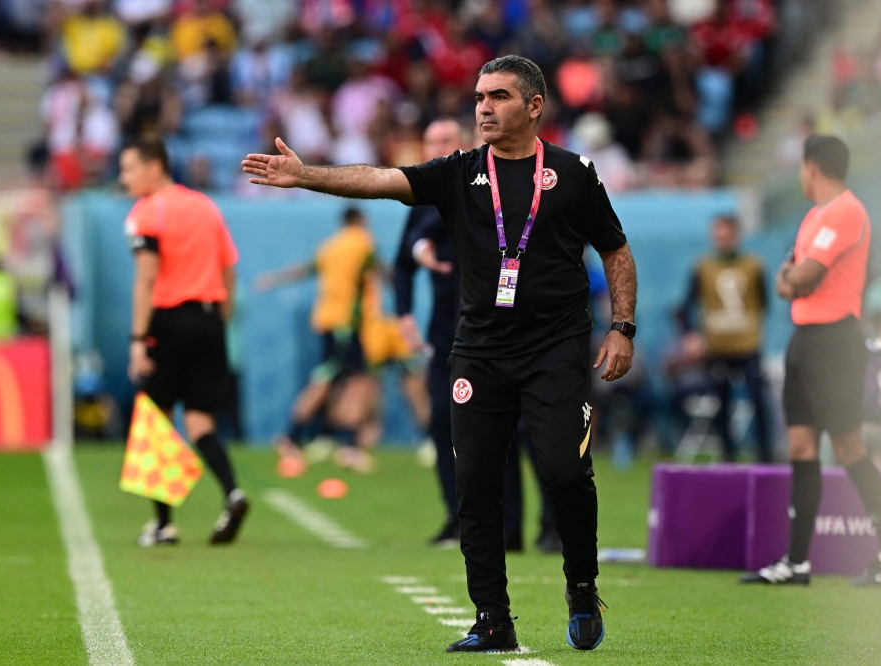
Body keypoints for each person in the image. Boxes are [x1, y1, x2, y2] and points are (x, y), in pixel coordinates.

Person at [243, 55, 638, 653]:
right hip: (478, 352)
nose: (484, 107)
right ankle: (491, 618)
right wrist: (307, 175)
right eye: (479, 96)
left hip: (555, 350)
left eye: (500, 96)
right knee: (474, 486)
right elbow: (380, 179)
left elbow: (616, 251)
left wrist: (623, 328)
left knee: (563, 471)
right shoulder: (458, 173)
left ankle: (581, 585)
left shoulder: (572, 173)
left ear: (534, 107)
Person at [740, 135, 881, 587]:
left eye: (802, 168)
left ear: (813, 166)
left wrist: (793, 277)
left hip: (836, 341)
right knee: (801, 447)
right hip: (805, 339)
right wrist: (792, 278)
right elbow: (786, 281)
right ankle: (797, 563)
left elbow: (804, 277)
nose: (800, 176)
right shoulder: (813, 217)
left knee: (850, 448)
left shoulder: (847, 211)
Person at [120, 137, 249, 547]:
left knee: (156, 422)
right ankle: (233, 492)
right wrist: (218, 321)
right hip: (210, 320)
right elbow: (230, 269)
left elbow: (146, 278)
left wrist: (138, 339)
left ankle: (163, 525)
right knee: (200, 422)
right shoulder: (206, 206)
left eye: (130, 169)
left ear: (155, 166)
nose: (124, 178)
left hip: (168, 322)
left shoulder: (146, 212)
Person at [257, 207, 379, 476]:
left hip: (326, 321)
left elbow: (306, 269)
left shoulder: (330, 246)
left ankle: (336, 441)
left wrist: (274, 279)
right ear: (360, 221)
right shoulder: (362, 243)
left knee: (342, 379)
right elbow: (379, 270)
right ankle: (300, 437)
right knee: (339, 380)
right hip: (346, 324)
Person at [392, 117, 466, 547]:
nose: (438, 148)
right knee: (441, 421)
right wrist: (404, 314)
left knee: (513, 432)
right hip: (444, 331)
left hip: (489, 328)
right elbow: (403, 258)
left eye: (446, 141)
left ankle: (541, 526)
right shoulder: (422, 201)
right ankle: (455, 516)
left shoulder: (478, 189)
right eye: (431, 142)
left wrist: (420, 246)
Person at [677, 214, 772, 462]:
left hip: (747, 345)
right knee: (722, 404)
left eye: (727, 234)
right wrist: (690, 336)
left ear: (736, 235)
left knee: (758, 400)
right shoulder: (703, 267)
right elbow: (684, 308)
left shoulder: (753, 266)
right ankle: (728, 457)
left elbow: (763, 302)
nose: (723, 239)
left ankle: (765, 456)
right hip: (718, 347)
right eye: (718, 234)